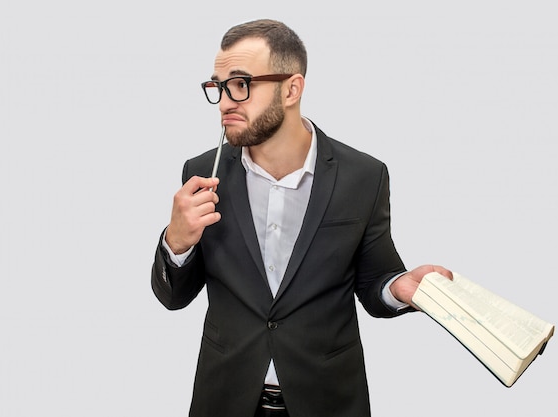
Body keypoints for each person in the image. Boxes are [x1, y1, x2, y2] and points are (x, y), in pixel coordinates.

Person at [151, 18, 453, 417]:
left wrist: (398, 288)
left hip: (327, 401)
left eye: (240, 84)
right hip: (224, 399)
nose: (225, 102)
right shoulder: (204, 172)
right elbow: (174, 298)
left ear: (292, 88)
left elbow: (374, 281)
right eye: (218, 87)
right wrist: (177, 242)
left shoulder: (363, 176)